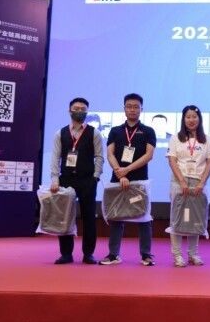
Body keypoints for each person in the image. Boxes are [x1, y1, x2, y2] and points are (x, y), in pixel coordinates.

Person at [99, 93, 156, 266]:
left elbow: (149, 155)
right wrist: (120, 173)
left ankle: (146, 255)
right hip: (117, 179)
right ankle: (113, 254)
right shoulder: (115, 131)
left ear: (141, 109)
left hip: (139, 182)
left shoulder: (148, 131)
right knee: (116, 217)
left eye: (136, 106)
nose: (132, 109)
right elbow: (110, 153)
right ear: (124, 108)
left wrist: (127, 170)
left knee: (143, 217)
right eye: (129, 106)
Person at [49, 97, 104, 264]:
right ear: (69, 111)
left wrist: (96, 177)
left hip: (87, 180)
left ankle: (88, 254)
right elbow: (55, 157)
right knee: (65, 216)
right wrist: (55, 179)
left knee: (89, 217)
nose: (79, 111)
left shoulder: (94, 133)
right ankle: (66, 254)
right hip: (66, 179)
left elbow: (99, 157)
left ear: (87, 112)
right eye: (76, 108)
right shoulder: (60, 133)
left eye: (82, 109)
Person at [166, 105, 210, 267]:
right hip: (179, 183)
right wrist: (181, 181)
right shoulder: (176, 138)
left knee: (195, 219)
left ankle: (193, 254)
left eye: (194, 116)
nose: (191, 120)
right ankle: (177, 255)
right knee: (177, 219)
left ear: (199, 119)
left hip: (198, 184)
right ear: (183, 119)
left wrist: (202, 183)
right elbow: (172, 160)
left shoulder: (207, 140)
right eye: (188, 117)